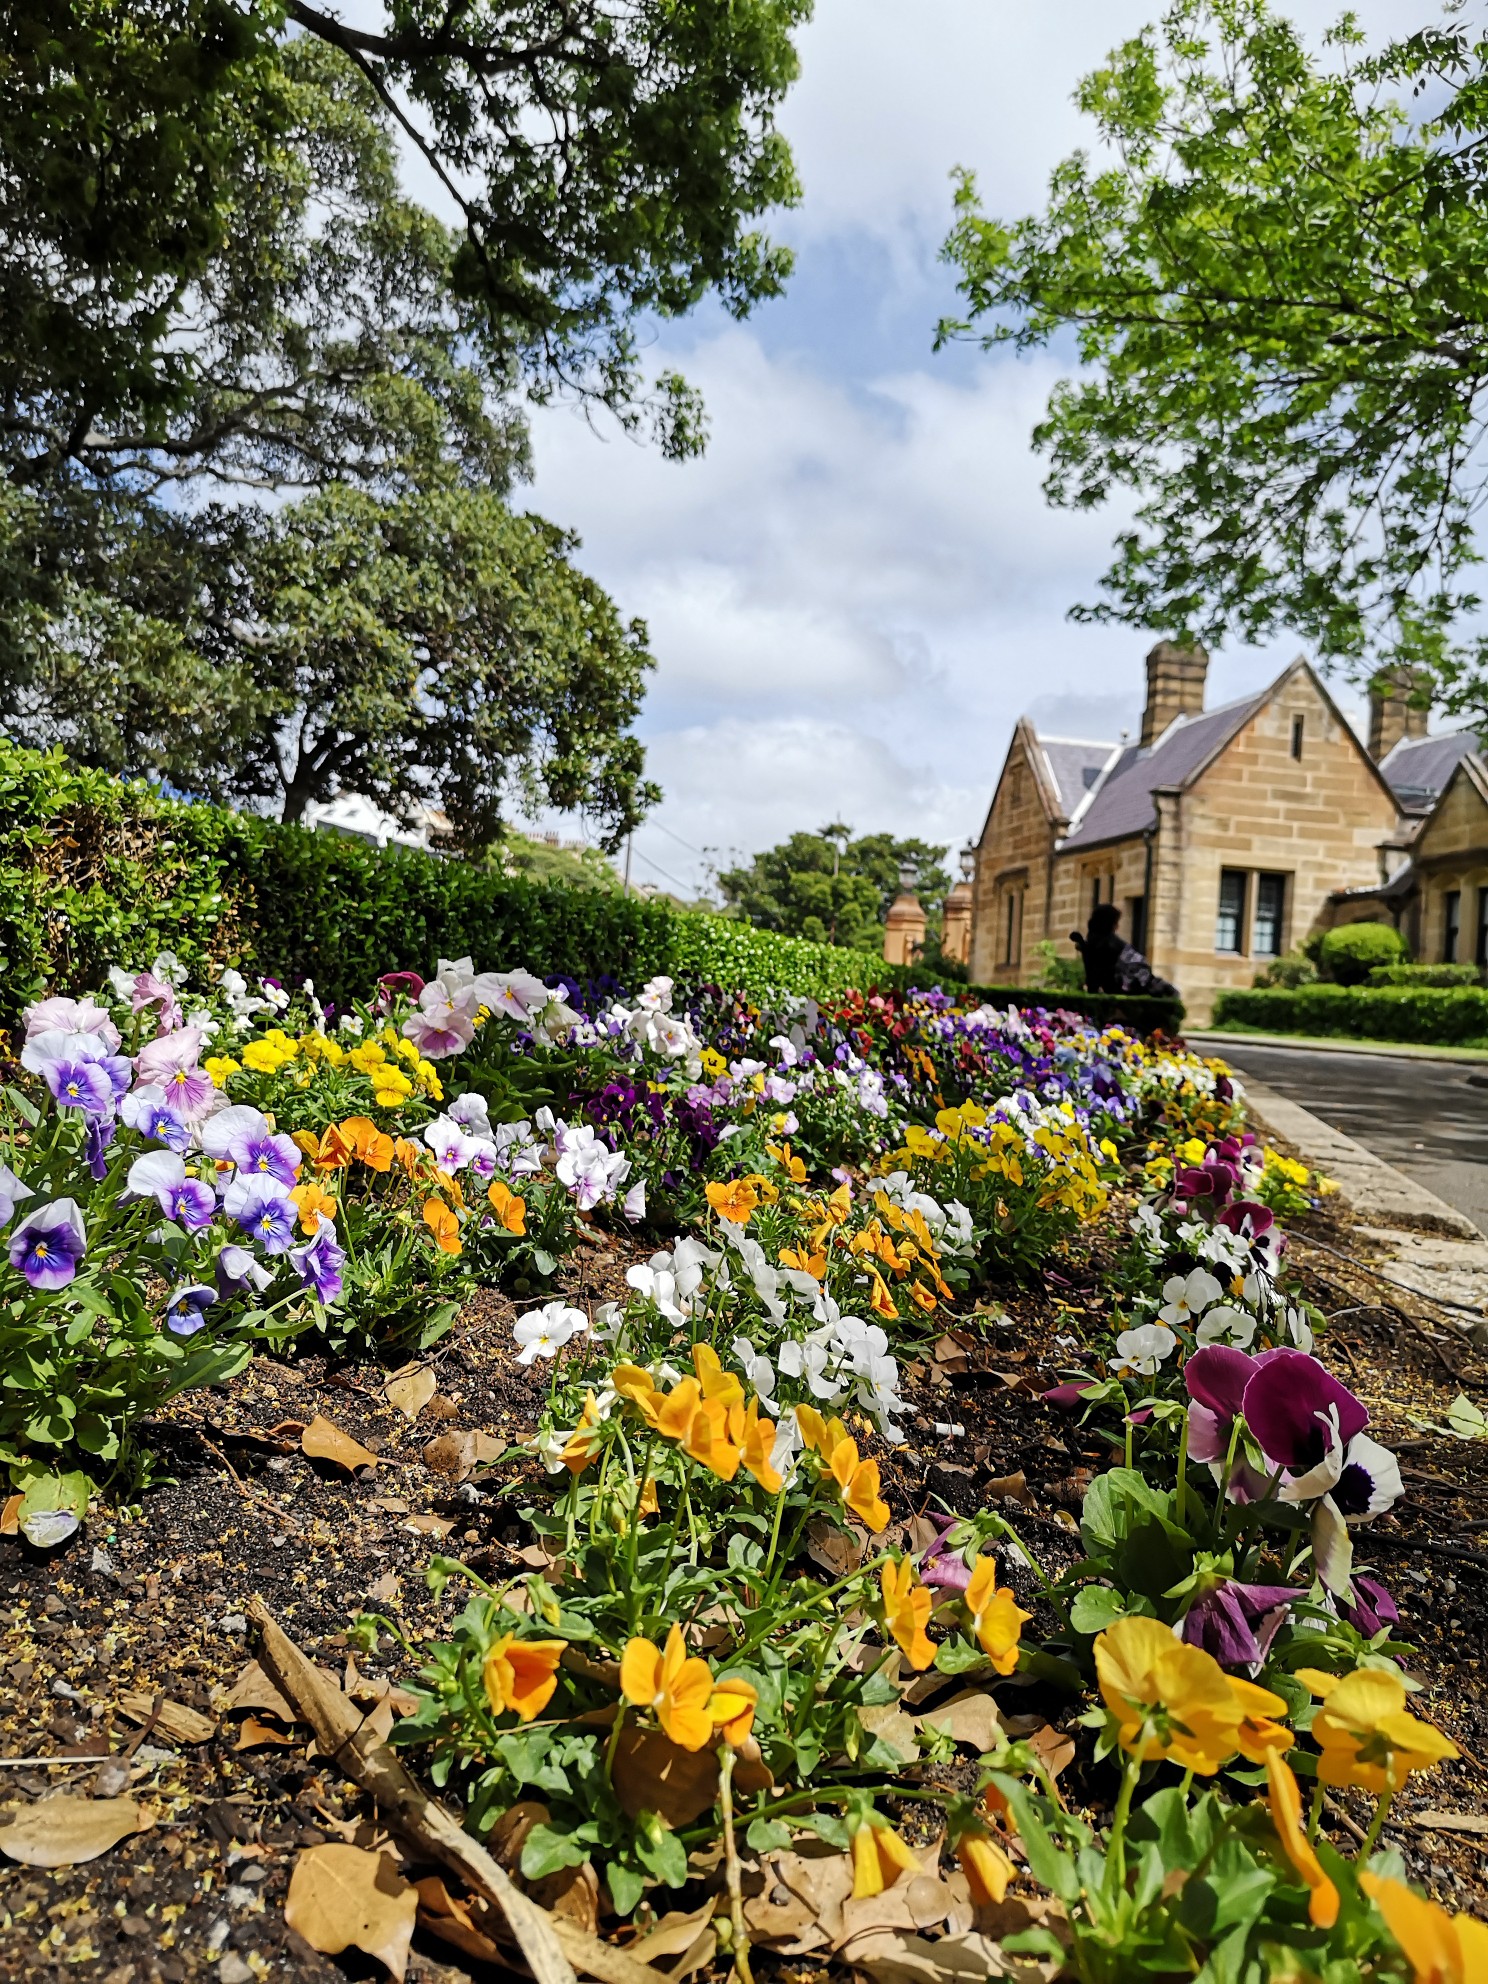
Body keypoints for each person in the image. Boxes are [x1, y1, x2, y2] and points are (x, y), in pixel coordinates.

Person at [1070, 902, 1178, 999]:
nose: (1117, 926)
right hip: (1134, 981)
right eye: (1115, 922)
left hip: (1135, 979)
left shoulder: (1098, 941)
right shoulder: (1108, 943)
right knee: (1167, 991)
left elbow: (1094, 977)